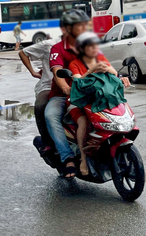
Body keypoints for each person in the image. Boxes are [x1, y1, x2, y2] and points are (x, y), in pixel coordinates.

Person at [67, 32, 129, 176]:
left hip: (100, 99)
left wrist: (108, 69)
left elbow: (115, 75)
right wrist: (90, 71)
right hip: (79, 102)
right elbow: (78, 84)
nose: (94, 48)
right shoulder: (75, 64)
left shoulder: (101, 59)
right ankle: (83, 158)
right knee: (83, 122)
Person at [46, 9, 90, 179]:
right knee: (50, 115)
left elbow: (103, 63)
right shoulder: (57, 49)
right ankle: (67, 157)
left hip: (86, 93)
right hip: (62, 95)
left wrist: (119, 77)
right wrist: (65, 88)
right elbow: (57, 73)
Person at [19, 34, 61, 152]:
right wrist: (33, 72)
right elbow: (23, 53)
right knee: (41, 105)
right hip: (49, 85)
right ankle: (47, 142)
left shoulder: (82, 46)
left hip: (71, 85)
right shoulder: (49, 45)